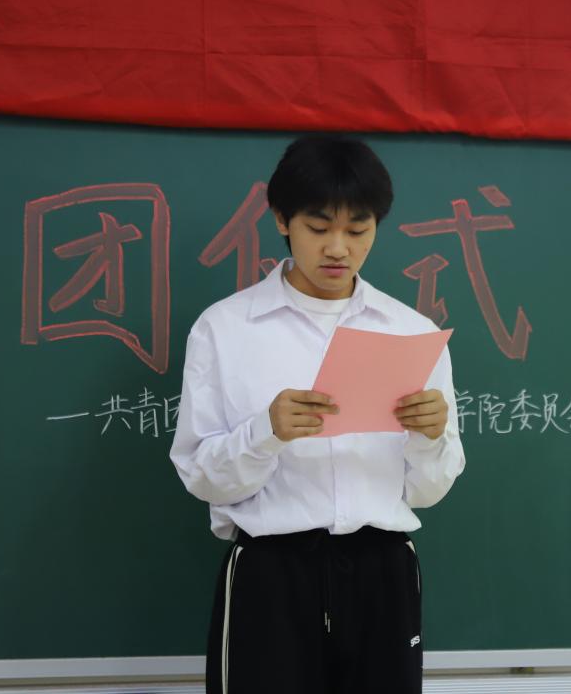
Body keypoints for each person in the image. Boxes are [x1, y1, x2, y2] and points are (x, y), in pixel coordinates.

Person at [170, 135, 466, 694]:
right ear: (282, 219)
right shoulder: (225, 329)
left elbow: (428, 491)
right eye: (318, 227)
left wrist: (431, 437)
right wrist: (266, 433)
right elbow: (201, 475)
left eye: (357, 230)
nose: (338, 248)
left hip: (382, 569)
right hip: (272, 572)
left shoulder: (411, 333)